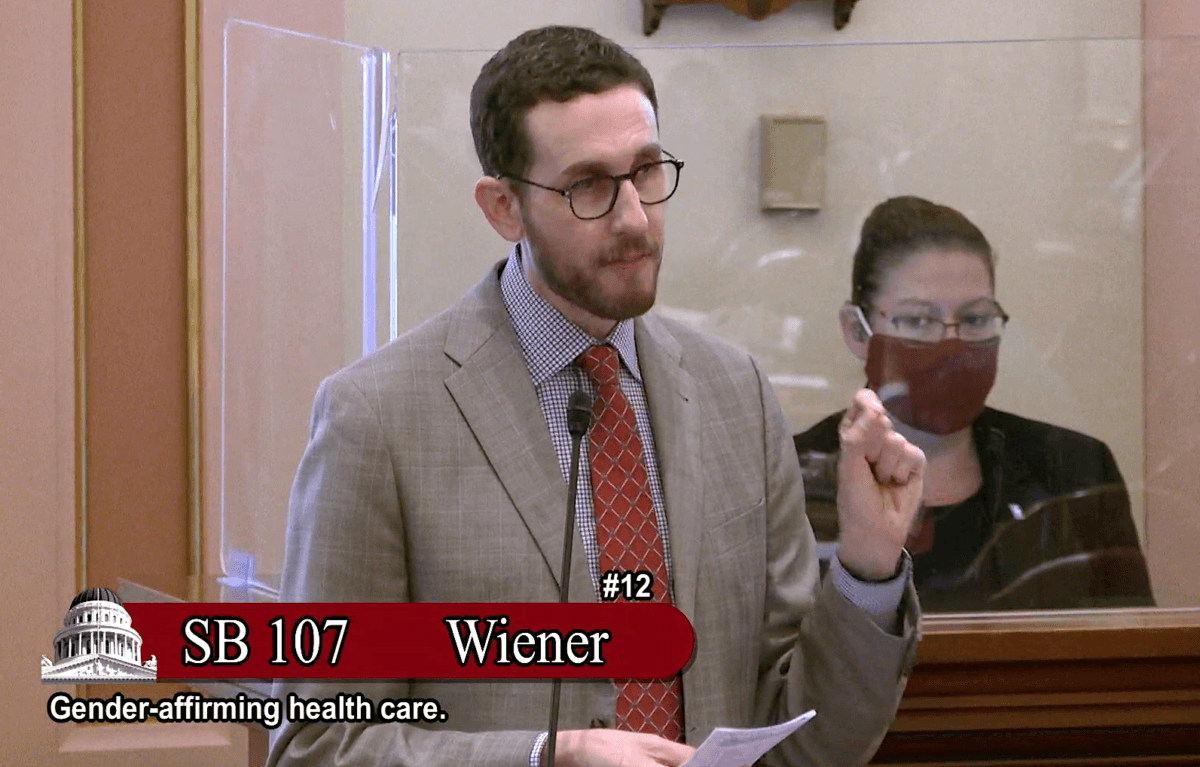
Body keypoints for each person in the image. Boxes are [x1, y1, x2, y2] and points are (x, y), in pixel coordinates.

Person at [268, 26, 924, 767]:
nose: (634, 217)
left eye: (646, 171)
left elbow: (807, 738)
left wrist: (869, 566)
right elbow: (319, 744)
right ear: (504, 208)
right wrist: (549, 755)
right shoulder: (377, 418)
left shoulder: (734, 393)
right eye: (587, 185)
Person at [794, 195, 1154, 612]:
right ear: (858, 332)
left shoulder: (1075, 471)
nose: (951, 346)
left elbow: (1134, 644)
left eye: (975, 319)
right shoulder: (792, 478)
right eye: (917, 320)